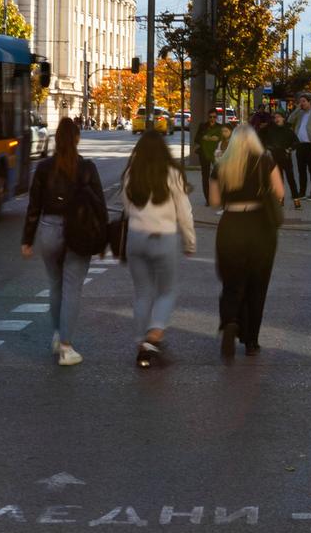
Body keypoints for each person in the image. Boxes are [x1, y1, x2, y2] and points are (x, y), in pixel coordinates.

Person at [21, 118, 107, 367]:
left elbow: (34, 206)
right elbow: (100, 206)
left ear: (56, 140)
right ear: (78, 139)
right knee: (72, 288)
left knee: (55, 285)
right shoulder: (87, 168)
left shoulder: (44, 168)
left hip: (48, 229)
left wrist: (27, 239)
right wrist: (102, 241)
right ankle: (67, 348)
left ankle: (58, 336)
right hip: (78, 231)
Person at [121, 130, 198, 368]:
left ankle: (140, 341)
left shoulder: (131, 173)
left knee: (142, 292)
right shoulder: (172, 173)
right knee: (167, 290)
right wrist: (189, 241)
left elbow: (125, 205)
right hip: (163, 237)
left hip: (135, 237)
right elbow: (184, 212)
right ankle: (154, 335)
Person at [209, 124, 286, 358]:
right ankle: (251, 341)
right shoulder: (265, 160)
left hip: (231, 224)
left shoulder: (221, 163)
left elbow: (214, 201)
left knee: (232, 281)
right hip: (260, 227)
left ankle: (231, 320)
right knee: (257, 285)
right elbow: (280, 193)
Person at [258, 111, 301, 206]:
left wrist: (289, 149)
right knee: (278, 179)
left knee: (291, 179)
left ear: (283, 118)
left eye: (278, 117)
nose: (276, 119)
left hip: (285, 157)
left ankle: (296, 199)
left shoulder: (288, 130)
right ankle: (280, 199)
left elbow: (296, 142)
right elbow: (260, 135)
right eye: (275, 117)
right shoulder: (270, 129)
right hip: (274, 157)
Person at [195, 116, 231, 189]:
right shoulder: (203, 127)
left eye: (226, 131)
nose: (212, 118)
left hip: (228, 168)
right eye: (210, 116)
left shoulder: (232, 141)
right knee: (209, 177)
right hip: (209, 157)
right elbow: (197, 138)